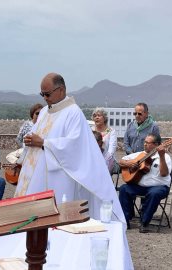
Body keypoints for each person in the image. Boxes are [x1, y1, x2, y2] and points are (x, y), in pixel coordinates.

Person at [15, 72, 126, 225]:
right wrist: (29, 143)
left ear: (61, 90)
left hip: (59, 175)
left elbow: (75, 145)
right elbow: (38, 135)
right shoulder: (45, 112)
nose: (45, 98)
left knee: (57, 217)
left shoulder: (73, 113)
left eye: (47, 94)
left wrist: (43, 143)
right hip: (38, 172)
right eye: (42, 94)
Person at [118, 133, 172, 233]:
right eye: (145, 142)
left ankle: (144, 222)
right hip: (140, 186)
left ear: (156, 144)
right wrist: (130, 163)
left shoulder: (165, 157)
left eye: (148, 142)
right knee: (124, 189)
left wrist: (162, 156)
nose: (145, 144)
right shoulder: (140, 154)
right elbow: (121, 161)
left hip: (159, 186)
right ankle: (125, 220)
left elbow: (164, 174)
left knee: (154, 193)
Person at [91, 107, 117, 173]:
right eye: (95, 116)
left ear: (104, 118)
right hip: (92, 159)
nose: (96, 117)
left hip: (107, 160)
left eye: (99, 115)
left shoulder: (111, 131)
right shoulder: (90, 130)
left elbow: (111, 150)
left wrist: (103, 161)